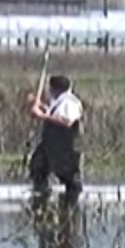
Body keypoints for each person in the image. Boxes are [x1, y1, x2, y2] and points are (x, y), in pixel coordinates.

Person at [27, 74, 84, 202]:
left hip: (65, 146)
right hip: (49, 145)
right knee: (37, 168)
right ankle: (41, 198)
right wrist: (39, 105)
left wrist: (41, 116)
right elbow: (54, 113)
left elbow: (67, 121)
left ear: (55, 89)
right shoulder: (60, 101)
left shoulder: (70, 102)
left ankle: (71, 204)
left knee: (69, 177)